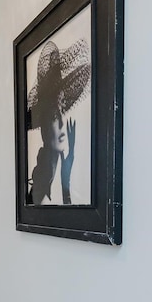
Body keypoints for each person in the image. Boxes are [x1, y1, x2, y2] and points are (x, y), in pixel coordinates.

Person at [26, 37, 90, 205]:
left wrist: (65, 180)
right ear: (45, 127)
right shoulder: (44, 171)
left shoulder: (50, 167)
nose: (62, 124)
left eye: (62, 111)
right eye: (55, 117)